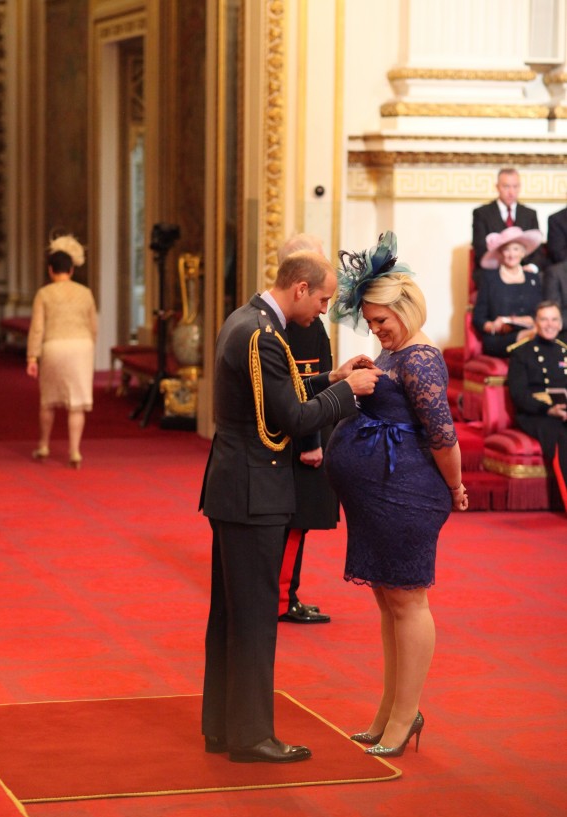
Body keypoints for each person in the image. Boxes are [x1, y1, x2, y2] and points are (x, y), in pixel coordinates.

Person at [200, 250, 382, 763]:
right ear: (299, 288)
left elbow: (277, 394)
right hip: (254, 491)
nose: (324, 310)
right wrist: (348, 391)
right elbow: (291, 419)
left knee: (231, 615)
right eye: (323, 299)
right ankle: (252, 736)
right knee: (255, 617)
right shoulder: (262, 335)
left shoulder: (248, 320)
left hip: (237, 487)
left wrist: (329, 377)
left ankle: (224, 727)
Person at [325, 232, 468, 758]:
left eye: (383, 321)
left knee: (407, 601)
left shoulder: (421, 358)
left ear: (406, 310)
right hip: (379, 498)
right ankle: (391, 710)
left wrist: (455, 486)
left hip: (407, 496)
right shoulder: (393, 354)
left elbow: (443, 436)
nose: (376, 330)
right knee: (389, 602)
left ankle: (405, 716)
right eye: (370, 321)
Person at [276, 233, 339, 625]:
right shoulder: (302, 322)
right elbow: (303, 384)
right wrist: (312, 443)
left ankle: (286, 594)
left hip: (299, 434)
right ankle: (283, 598)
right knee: (294, 523)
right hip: (302, 440)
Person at [26, 234, 97, 468]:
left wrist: (32, 357)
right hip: (81, 347)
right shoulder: (85, 293)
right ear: (72, 270)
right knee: (76, 404)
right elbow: (93, 326)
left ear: (50, 270)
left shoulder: (44, 294)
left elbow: (37, 328)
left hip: (54, 347)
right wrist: (90, 349)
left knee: (48, 402)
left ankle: (44, 444)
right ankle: (75, 451)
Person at [507, 301, 567, 512]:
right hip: (536, 414)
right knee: (562, 435)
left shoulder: (564, 351)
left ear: (560, 324)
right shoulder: (521, 353)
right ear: (535, 323)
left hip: (563, 412)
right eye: (544, 319)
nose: (549, 324)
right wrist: (548, 409)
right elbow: (519, 394)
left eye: (554, 319)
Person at [472, 225, 543, 357]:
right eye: (507, 250)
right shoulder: (489, 279)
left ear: (523, 252)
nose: (512, 254)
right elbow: (478, 318)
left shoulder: (533, 279)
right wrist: (494, 326)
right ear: (500, 253)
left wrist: (528, 321)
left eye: (516, 249)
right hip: (499, 339)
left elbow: (540, 313)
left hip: (532, 332)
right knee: (535, 338)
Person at [472, 167, 542, 283]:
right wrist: (507, 271)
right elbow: (480, 250)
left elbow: (537, 251)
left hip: (524, 272)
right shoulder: (482, 213)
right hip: (493, 271)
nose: (511, 192)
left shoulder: (529, 214)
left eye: (515, 186)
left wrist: (531, 267)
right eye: (506, 186)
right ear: (497, 187)